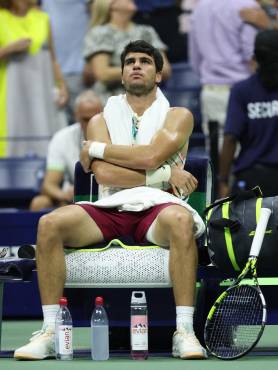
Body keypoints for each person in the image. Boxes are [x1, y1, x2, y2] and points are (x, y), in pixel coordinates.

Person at [14, 40, 207, 360]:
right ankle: (49, 332)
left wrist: (95, 149)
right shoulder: (100, 120)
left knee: (181, 220)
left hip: (157, 207)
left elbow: (151, 154)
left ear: (158, 75)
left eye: (145, 61)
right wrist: (163, 174)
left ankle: (184, 331)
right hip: (110, 205)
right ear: (121, 75)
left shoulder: (178, 116)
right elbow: (105, 176)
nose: (136, 65)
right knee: (49, 223)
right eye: (129, 61)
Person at [189, 0, 258, 174]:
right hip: (245, 90)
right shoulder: (247, 5)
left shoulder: (200, 7)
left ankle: (221, 197)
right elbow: (252, 54)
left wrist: (209, 78)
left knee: (217, 153)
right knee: (250, 151)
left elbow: (194, 57)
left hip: (211, 91)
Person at [0, 0, 68, 157]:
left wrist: (62, 85)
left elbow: (52, 57)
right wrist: (8, 49)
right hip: (9, 95)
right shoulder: (1, 18)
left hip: (41, 92)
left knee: (45, 141)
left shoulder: (43, 18)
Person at [218, 30, 278, 198]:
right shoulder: (241, 90)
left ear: (255, 57)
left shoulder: (241, 90)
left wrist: (223, 180)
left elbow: (230, 138)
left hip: (253, 178)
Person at [83, 0, 171, 105]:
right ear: (112, 4)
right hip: (112, 101)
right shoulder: (100, 33)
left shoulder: (147, 31)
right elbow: (103, 74)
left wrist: (131, 70)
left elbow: (165, 70)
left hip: (148, 101)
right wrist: (145, 69)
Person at [29, 90, 102, 211]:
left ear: (103, 114)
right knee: (39, 203)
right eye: (85, 119)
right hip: (72, 197)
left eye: (94, 118)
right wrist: (65, 195)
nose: (90, 124)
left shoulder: (115, 134)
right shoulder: (61, 138)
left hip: (106, 194)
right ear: (76, 115)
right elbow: (49, 184)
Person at [41, 0, 94, 125]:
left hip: (77, 69)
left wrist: (90, 59)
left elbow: (98, 14)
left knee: (83, 128)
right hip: (47, 72)